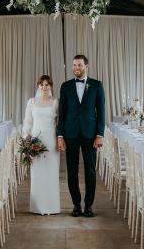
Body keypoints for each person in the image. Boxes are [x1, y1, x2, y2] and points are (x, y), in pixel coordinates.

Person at [56, 55, 105, 218]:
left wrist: (100, 134)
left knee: (90, 171)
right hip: (70, 134)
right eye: (74, 65)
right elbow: (61, 114)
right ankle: (76, 204)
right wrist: (60, 135)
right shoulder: (65, 86)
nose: (76, 67)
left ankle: (88, 205)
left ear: (86, 66)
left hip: (90, 134)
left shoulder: (97, 85)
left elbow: (102, 112)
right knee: (71, 170)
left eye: (79, 65)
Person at [21, 75, 61, 215]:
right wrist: (26, 138)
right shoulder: (31, 102)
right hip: (36, 141)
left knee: (51, 173)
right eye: (42, 85)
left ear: (51, 86)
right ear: (38, 86)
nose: (44, 87)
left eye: (47, 85)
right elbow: (28, 122)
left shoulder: (55, 102)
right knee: (37, 173)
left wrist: (60, 139)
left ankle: (52, 206)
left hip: (51, 141)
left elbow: (59, 124)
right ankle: (37, 207)